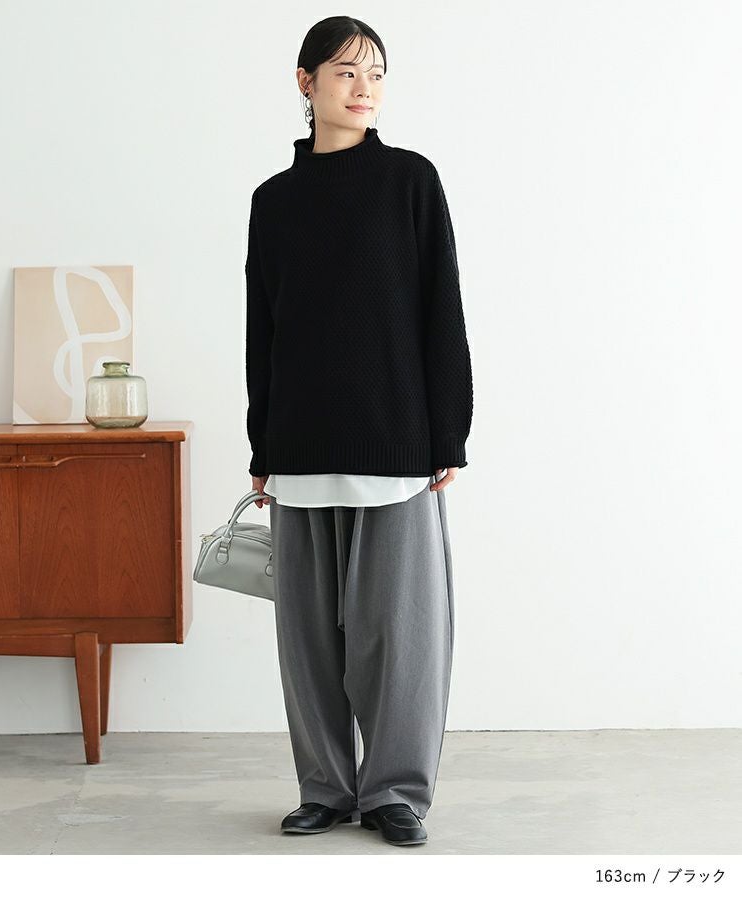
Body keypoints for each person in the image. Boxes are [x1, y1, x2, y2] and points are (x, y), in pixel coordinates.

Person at [244, 16, 473, 847]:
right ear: (305, 83)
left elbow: (440, 311)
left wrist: (448, 433)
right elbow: (263, 330)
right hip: (301, 447)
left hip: (396, 447)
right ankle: (325, 788)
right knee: (308, 642)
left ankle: (395, 794)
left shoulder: (410, 181)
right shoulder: (274, 202)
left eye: (375, 72)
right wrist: (262, 445)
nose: (364, 86)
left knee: (401, 640)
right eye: (345, 72)